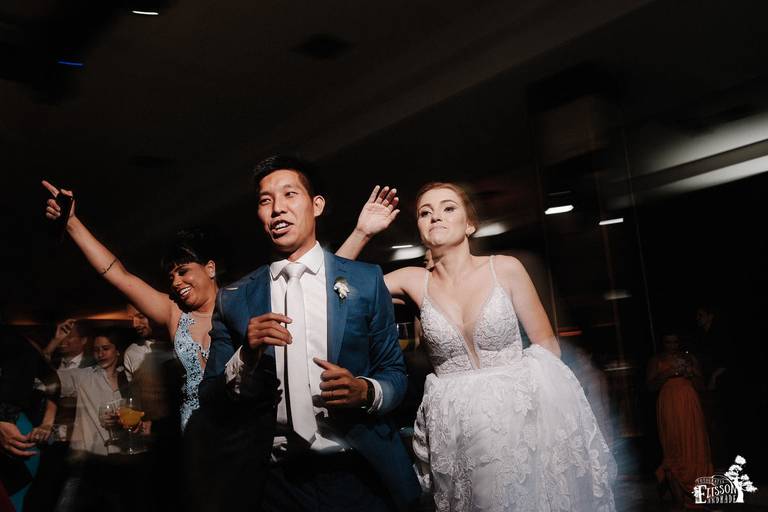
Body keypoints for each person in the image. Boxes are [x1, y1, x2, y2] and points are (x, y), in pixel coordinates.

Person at [338, 181, 617, 511]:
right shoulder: (411, 280)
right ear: (420, 230)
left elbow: (547, 347)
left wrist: (539, 423)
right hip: (455, 426)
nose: (436, 216)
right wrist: (362, 232)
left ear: (469, 224)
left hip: (517, 420)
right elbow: (334, 287)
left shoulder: (505, 268)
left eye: (448, 208)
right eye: (425, 213)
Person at [199, 155, 420, 512]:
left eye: (290, 194)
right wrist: (246, 356)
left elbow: (395, 373)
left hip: (357, 471)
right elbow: (210, 398)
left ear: (316, 205)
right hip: (276, 482)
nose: (277, 209)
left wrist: (366, 391)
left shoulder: (365, 281)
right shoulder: (234, 299)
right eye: (266, 200)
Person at [43, 180, 217, 431]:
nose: (176, 282)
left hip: (237, 431)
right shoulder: (174, 312)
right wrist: (72, 223)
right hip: (192, 433)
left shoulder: (238, 303)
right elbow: (118, 274)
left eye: (183, 271)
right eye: (171, 277)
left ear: (210, 268)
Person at [646, 332, 712, 510]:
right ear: (663, 343)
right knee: (673, 446)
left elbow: (701, 386)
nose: (672, 346)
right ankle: (678, 499)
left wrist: (691, 374)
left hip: (689, 402)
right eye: (668, 342)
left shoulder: (689, 358)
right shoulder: (657, 360)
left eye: (675, 342)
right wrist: (667, 373)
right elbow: (650, 386)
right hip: (669, 403)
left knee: (695, 444)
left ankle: (698, 495)